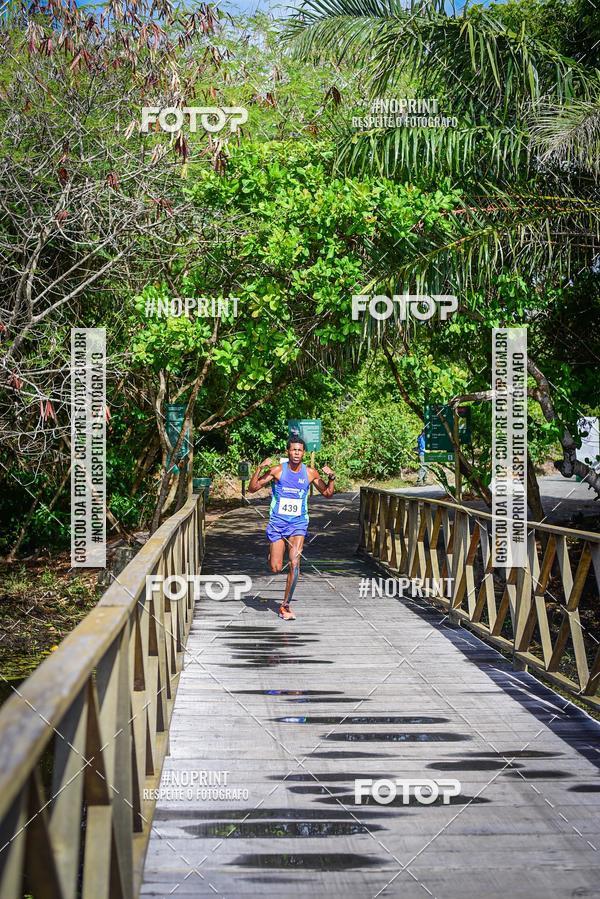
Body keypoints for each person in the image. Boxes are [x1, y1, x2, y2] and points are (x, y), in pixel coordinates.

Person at [247, 438, 336, 620]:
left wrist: (331, 478)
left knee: (295, 562)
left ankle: (285, 605)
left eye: (300, 450)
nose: (296, 453)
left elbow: (327, 493)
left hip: (298, 523)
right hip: (278, 524)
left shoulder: (310, 473)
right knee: (276, 567)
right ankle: (272, 553)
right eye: (293, 450)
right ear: (288, 451)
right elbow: (252, 489)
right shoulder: (278, 471)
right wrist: (259, 469)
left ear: (303, 453)